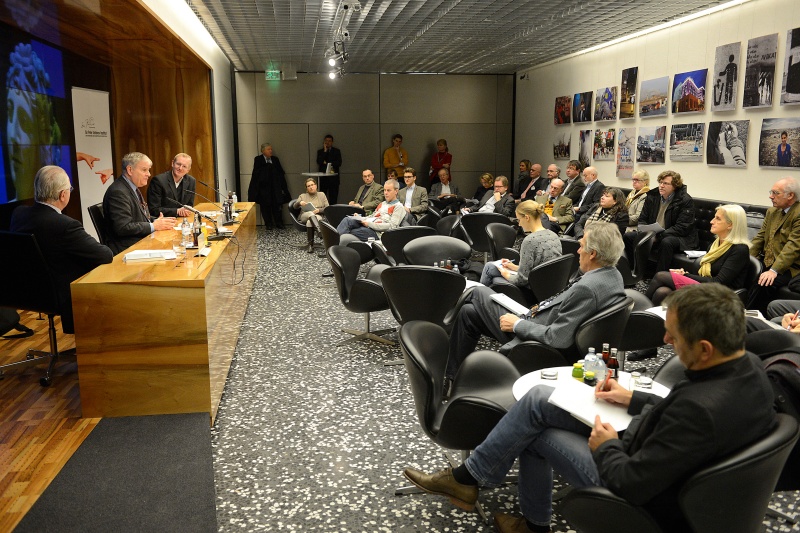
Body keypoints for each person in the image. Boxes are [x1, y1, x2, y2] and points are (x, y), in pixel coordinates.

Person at [404, 283, 776, 533]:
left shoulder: (698, 410)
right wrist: (634, 398)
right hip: (667, 464)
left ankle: (506, 506)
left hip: (640, 496)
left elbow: (631, 484)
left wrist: (607, 446)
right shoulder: (750, 369)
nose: (665, 340)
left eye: (674, 336)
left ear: (706, 349)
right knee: (539, 400)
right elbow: (684, 417)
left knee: (534, 430)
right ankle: (473, 481)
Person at [444, 222, 626, 384]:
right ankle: (454, 378)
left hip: (536, 339)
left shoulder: (587, 288)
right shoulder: (613, 275)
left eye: (581, 246)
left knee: (477, 292)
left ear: (592, 254)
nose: (578, 251)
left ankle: (444, 323)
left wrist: (517, 324)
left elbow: (557, 338)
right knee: (468, 312)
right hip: (539, 319)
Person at [9, 165, 113, 334]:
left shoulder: (19, 214)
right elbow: (105, 255)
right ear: (63, 195)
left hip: (24, 291)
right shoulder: (64, 225)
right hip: (60, 294)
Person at [645, 204, 751, 305]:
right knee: (662, 292)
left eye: (718, 219)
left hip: (722, 295)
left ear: (730, 225)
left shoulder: (740, 249)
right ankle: (648, 316)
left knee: (661, 276)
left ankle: (640, 310)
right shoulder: (714, 245)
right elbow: (704, 275)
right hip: (708, 287)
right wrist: (685, 274)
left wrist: (685, 275)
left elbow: (719, 282)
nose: (711, 221)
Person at [479, 201, 562, 297]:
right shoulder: (553, 235)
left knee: (489, 268)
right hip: (549, 287)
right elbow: (540, 268)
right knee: (490, 266)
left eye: (519, 220)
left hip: (532, 290)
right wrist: (514, 267)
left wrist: (507, 275)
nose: (519, 224)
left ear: (527, 218)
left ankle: (480, 297)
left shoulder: (530, 240)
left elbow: (521, 280)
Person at [624, 170, 698, 272]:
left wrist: (659, 236)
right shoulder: (652, 196)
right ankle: (634, 271)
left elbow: (682, 227)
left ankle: (659, 275)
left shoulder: (685, 200)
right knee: (628, 237)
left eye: (666, 183)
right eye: (660, 182)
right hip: (654, 233)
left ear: (675, 186)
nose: (661, 186)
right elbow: (643, 219)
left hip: (679, 237)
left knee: (666, 242)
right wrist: (644, 230)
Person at [103, 152, 176, 255]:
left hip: (139, 242)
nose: (149, 174)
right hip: (127, 248)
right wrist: (153, 226)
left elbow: (139, 217)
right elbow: (123, 227)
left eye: (148, 170)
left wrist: (159, 221)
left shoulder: (132, 187)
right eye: (144, 170)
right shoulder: (118, 192)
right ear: (130, 170)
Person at [750, 177, 800, 307]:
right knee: (741, 271)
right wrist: (746, 257)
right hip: (767, 260)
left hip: (790, 267)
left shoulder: (798, 214)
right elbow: (760, 238)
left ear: (790, 195)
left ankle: (749, 314)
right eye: (771, 192)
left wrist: (774, 270)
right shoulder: (772, 211)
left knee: (764, 283)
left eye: (776, 193)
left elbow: (793, 247)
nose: (771, 196)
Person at [336, 179, 406, 241]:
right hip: (368, 224)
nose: (385, 193)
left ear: (396, 191)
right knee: (347, 220)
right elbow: (372, 216)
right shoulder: (382, 204)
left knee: (351, 232)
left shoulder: (398, 207)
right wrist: (360, 217)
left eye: (388, 190)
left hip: (377, 232)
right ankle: (334, 243)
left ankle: (335, 245)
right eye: (384, 190)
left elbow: (392, 227)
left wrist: (369, 224)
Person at [248, 143, 290, 229]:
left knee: (277, 206)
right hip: (264, 188)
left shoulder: (275, 159)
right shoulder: (258, 159)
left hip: (275, 187)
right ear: (263, 151)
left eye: (271, 149)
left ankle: (279, 223)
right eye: (268, 149)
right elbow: (256, 174)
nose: (271, 151)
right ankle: (268, 224)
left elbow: (280, 173)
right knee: (265, 206)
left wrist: (283, 187)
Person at [146, 153, 197, 218]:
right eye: (178, 164)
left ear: (188, 170)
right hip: (163, 220)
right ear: (172, 163)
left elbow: (189, 205)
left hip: (183, 219)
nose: (180, 168)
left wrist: (187, 210)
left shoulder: (191, 181)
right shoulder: (158, 181)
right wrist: (177, 211)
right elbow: (153, 209)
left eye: (184, 166)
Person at [296, 178, 329, 253]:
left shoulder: (322, 194)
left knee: (309, 222)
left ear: (316, 186)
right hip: (305, 215)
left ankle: (310, 245)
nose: (311, 187)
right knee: (310, 213)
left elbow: (327, 208)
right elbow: (294, 206)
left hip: (317, 215)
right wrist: (299, 203)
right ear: (306, 188)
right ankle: (319, 231)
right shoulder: (303, 196)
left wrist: (319, 210)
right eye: (308, 186)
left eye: (312, 185)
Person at [316, 134, 342, 204]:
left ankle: (333, 211)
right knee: (322, 199)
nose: (327, 142)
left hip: (333, 179)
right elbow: (319, 162)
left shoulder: (336, 151)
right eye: (326, 141)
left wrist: (326, 163)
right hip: (323, 180)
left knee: (333, 199)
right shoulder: (320, 152)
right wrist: (325, 151)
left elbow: (338, 163)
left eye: (329, 141)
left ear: (332, 142)